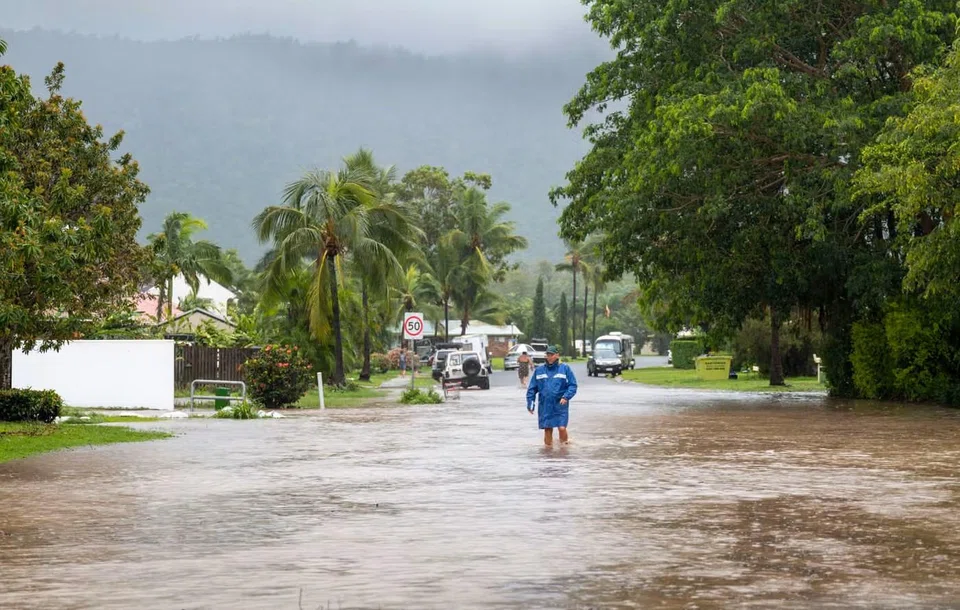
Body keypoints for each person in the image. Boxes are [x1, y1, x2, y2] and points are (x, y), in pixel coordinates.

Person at [525, 345, 578, 446]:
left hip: (560, 404)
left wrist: (566, 396)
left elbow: (573, 385)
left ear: (557, 355)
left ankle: (564, 448)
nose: (549, 357)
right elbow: (532, 389)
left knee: (562, 428)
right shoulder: (539, 370)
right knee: (548, 429)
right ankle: (548, 452)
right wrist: (530, 404)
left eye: (551, 355)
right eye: (548, 355)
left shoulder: (565, 369)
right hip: (545, 405)